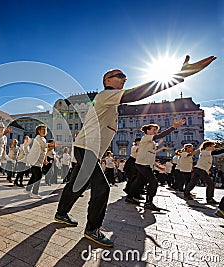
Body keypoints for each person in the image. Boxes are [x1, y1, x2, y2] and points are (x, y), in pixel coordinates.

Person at [54, 55, 216, 247]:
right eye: (119, 75)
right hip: (86, 148)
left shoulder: (111, 103)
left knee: (77, 184)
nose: (124, 78)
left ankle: (61, 213)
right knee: (102, 188)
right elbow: (136, 94)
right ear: (107, 80)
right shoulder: (105, 95)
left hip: (87, 149)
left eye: (125, 76)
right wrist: (180, 74)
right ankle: (92, 229)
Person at [25, 124, 55, 198]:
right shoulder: (38, 138)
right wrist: (54, 145)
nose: (45, 131)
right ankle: (35, 193)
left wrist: (45, 160)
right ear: (39, 131)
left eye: (46, 130)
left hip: (39, 161)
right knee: (38, 176)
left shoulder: (43, 139)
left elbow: (44, 151)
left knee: (34, 176)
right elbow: (45, 145)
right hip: (35, 160)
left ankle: (28, 189)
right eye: (43, 130)